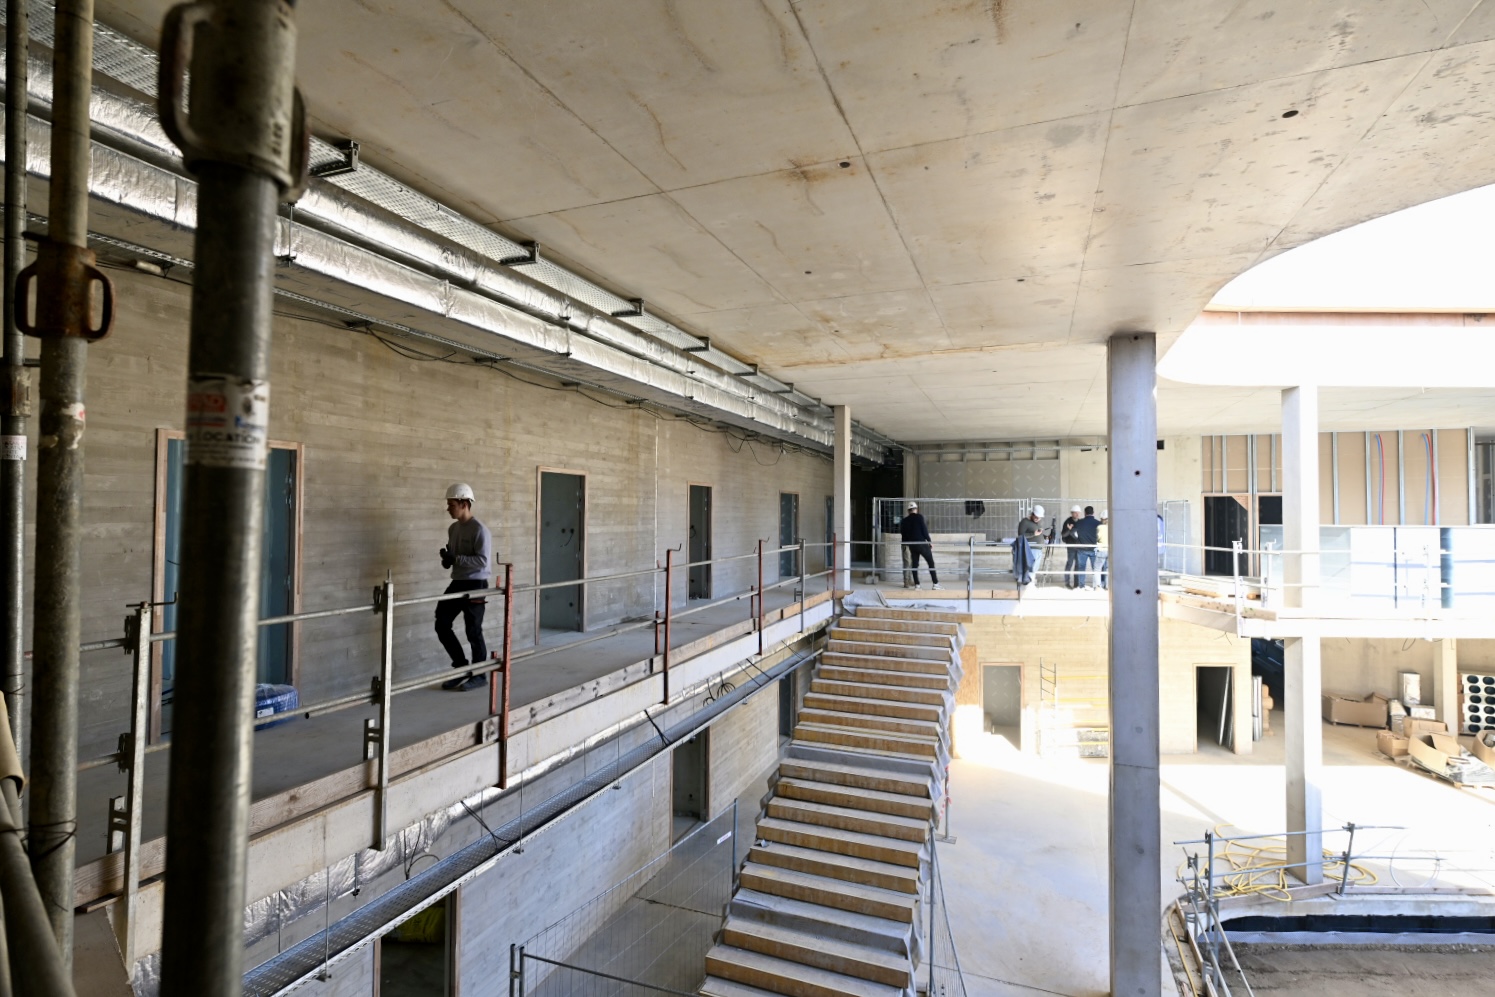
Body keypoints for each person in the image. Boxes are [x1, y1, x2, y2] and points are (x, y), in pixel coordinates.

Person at [436, 482, 493, 691]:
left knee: (473, 631)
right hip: (458, 581)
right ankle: (461, 668)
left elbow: (482, 561)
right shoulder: (453, 529)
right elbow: (455, 556)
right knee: (441, 623)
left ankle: (479, 675)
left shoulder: (480, 530)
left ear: (463, 503)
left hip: (476, 583)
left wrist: (456, 558)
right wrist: (448, 560)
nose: (448, 508)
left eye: (451, 504)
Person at [900, 501, 940, 590]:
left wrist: (906, 543)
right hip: (921, 543)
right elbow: (924, 530)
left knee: (915, 565)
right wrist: (929, 541)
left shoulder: (904, 521)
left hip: (912, 545)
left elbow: (903, 533)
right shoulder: (919, 517)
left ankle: (917, 585)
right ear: (916, 509)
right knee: (930, 562)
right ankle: (935, 584)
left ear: (908, 511)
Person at [1014, 504, 1044, 587]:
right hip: (1030, 549)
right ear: (1033, 514)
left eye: (1039, 517)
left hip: (1038, 549)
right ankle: (1028, 585)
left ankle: (1030, 583)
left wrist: (1045, 536)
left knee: (1034, 569)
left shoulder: (1037, 522)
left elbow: (1037, 534)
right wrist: (1033, 534)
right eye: (1036, 516)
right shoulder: (1025, 522)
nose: (1038, 519)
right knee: (1030, 568)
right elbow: (1021, 535)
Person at [1075, 505, 1102, 589]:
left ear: (1085, 513)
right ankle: (1096, 586)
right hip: (1094, 549)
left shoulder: (1079, 522)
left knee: (1081, 568)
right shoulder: (1098, 523)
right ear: (1093, 513)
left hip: (1082, 549)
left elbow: (1074, 534)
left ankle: (1081, 586)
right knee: (1096, 569)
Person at [1061, 505, 1083, 589]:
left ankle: (1076, 584)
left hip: (1079, 546)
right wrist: (1069, 530)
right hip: (1071, 546)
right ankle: (1067, 583)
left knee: (1078, 565)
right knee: (1069, 563)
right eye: (1075, 513)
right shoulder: (1067, 522)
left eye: (1078, 513)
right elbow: (1063, 535)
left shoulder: (1081, 522)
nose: (1077, 514)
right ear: (1072, 513)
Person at [1096, 510, 1109, 590]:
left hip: (1101, 549)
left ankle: (1098, 586)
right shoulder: (1113, 527)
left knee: (1097, 569)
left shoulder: (1100, 527)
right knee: (1108, 569)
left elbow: (1097, 537)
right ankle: (1107, 586)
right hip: (1110, 551)